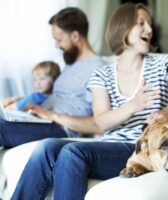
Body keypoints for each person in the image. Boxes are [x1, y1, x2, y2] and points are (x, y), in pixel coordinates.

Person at [12, 3, 168, 200]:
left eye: (149, 24)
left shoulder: (164, 64)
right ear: (122, 28)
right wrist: (134, 105)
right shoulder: (102, 74)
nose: (149, 29)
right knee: (47, 147)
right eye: (141, 23)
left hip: (141, 148)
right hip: (109, 146)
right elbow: (101, 122)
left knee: (72, 152)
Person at [0, 7, 106, 148]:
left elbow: (99, 123)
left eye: (59, 40)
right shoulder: (70, 65)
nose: (56, 45)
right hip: (41, 119)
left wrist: (51, 115)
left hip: (60, 128)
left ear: (75, 36)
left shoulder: (98, 69)